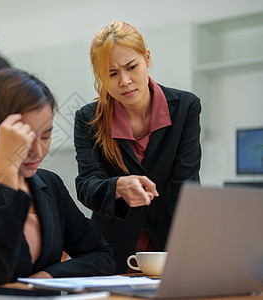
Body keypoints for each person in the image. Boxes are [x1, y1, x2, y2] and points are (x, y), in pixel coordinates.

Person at [0, 68, 115, 286]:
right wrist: (5, 171)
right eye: (26, 138)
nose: (38, 151)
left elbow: (102, 255)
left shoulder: (50, 185)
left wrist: (50, 276)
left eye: (46, 135)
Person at [74, 21, 201, 274]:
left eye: (132, 67)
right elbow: (86, 185)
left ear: (147, 58)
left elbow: (186, 186)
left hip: (169, 249)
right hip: (110, 253)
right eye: (111, 74)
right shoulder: (88, 118)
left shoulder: (186, 107)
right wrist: (117, 187)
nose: (124, 81)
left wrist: (186, 253)